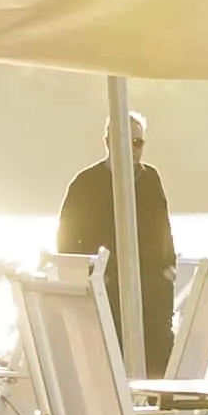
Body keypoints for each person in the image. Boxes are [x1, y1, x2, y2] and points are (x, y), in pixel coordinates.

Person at [55, 145, 181, 371]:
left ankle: (155, 398)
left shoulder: (150, 179)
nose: (134, 148)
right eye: (129, 141)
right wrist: (88, 276)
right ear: (109, 140)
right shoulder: (86, 183)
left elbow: (164, 228)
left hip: (150, 294)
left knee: (160, 348)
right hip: (103, 289)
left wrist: (169, 266)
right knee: (108, 353)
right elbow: (66, 240)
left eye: (140, 142)